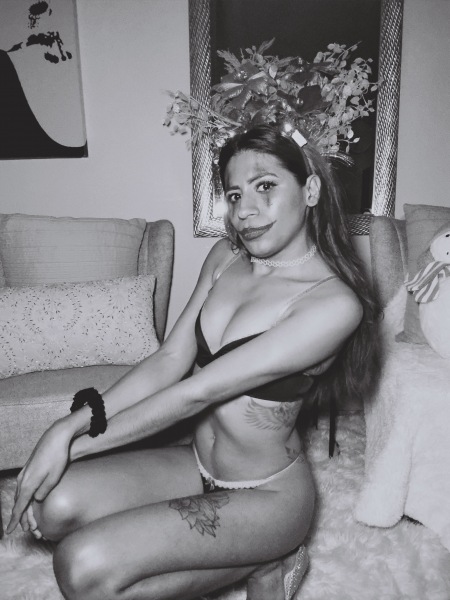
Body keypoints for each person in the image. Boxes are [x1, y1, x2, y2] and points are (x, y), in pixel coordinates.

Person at [7, 125, 380, 600]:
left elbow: (196, 392)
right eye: (235, 193)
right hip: (197, 463)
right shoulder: (224, 258)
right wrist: (70, 423)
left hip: (267, 494)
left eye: (265, 186)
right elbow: (169, 359)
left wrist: (70, 447)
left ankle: (271, 556)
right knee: (51, 506)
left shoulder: (333, 304)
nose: (244, 210)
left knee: (80, 568)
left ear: (310, 190)